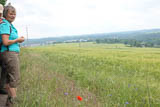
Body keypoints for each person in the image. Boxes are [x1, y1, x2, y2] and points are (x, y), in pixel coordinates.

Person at [0, 4, 25, 105]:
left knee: (7, 78)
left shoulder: (8, 24)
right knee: (14, 78)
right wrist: (18, 40)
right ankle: (14, 102)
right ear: (5, 14)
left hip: (9, 53)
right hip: (9, 54)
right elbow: (6, 42)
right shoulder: (5, 25)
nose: (13, 15)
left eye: (14, 14)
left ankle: (8, 103)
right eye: (11, 13)